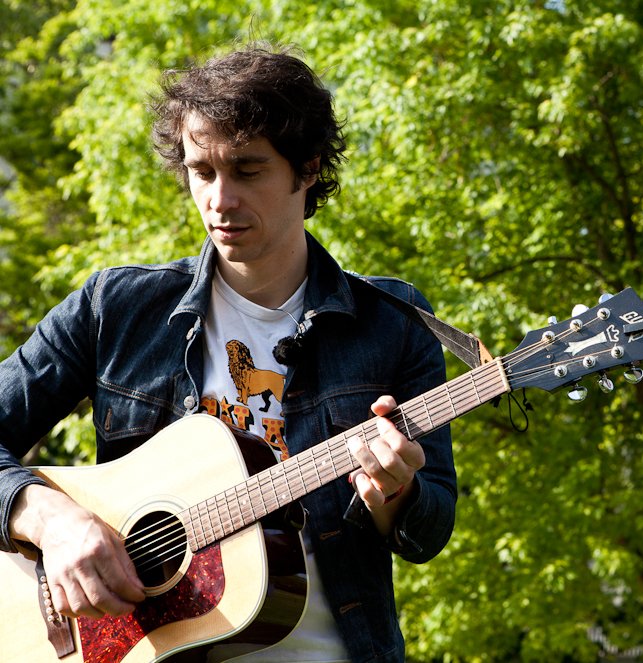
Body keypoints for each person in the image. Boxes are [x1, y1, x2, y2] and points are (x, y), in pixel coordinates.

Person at [0, 45, 456, 662]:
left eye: (247, 170)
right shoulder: (116, 308)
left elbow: (430, 530)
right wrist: (48, 518)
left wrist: (395, 493)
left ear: (308, 169)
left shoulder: (393, 323)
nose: (219, 199)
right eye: (202, 171)